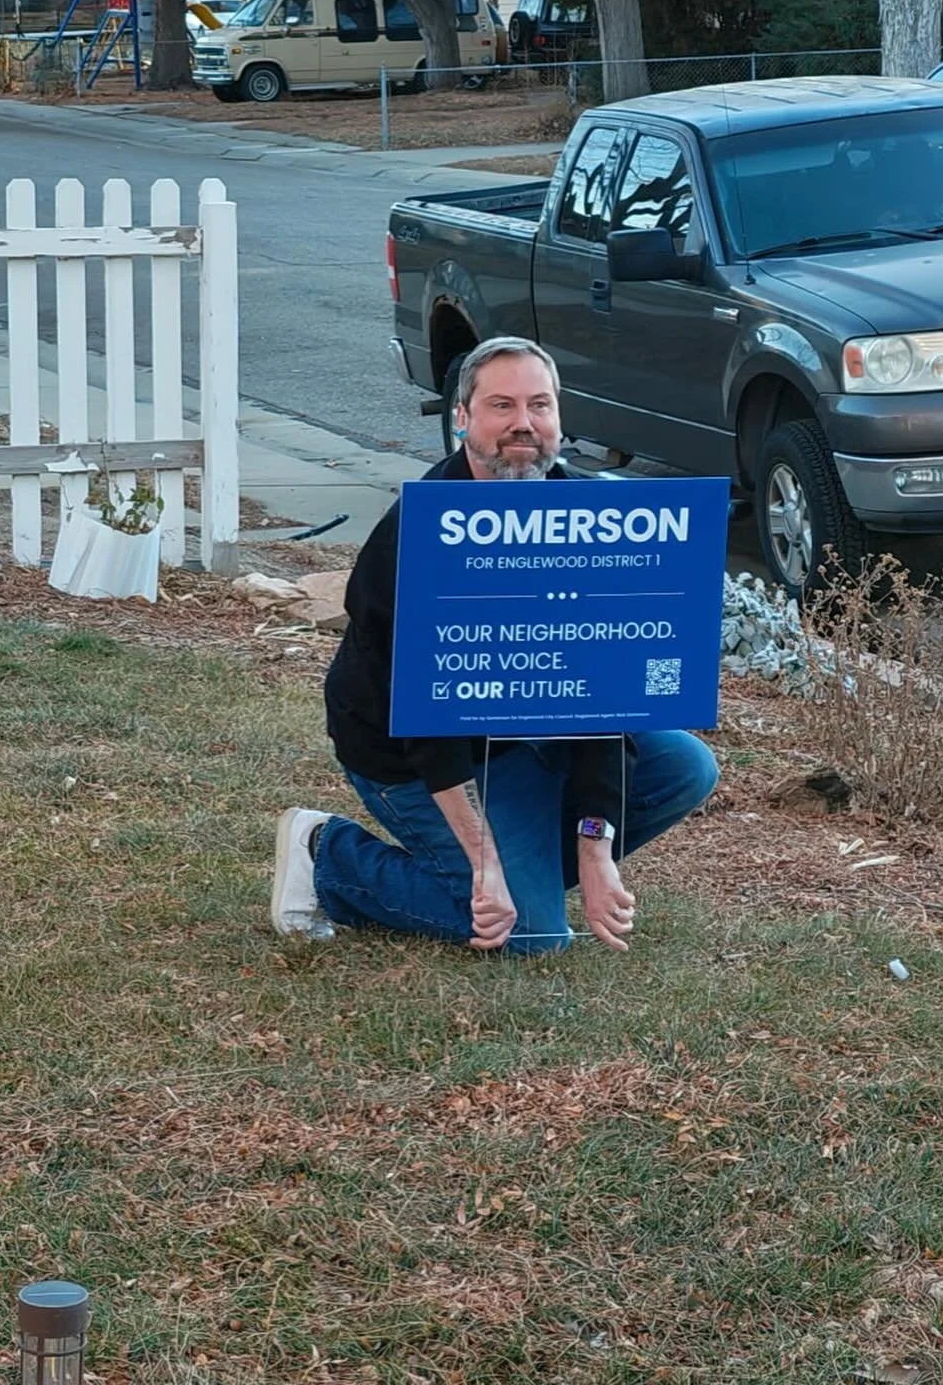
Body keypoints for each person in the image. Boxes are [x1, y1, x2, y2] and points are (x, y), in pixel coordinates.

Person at [271, 336, 719, 956]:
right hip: (412, 753)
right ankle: (328, 854)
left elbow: (608, 701)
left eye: (540, 405)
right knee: (533, 936)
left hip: (529, 731)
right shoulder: (418, 538)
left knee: (684, 765)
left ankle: (531, 868)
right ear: (462, 418)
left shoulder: (593, 523)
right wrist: (485, 865)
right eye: (501, 406)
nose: (523, 425)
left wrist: (596, 848)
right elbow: (428, 733)